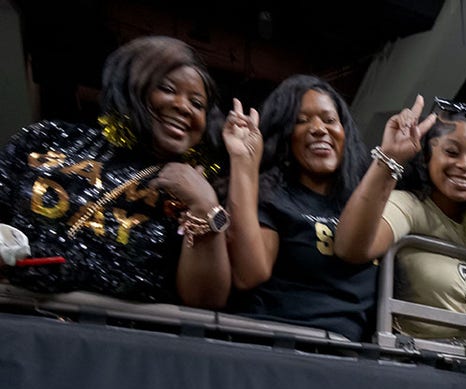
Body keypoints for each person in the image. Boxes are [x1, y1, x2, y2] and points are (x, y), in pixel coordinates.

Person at [0, 35, 230, 308]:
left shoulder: (193, 187)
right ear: (132, 87)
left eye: (197, 103)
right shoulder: (47, 139)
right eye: (167, 89)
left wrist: (204, 204)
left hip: (118, 342)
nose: (183, 106)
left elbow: (205, 300)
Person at [334, 95, 466, 344]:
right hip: (413, 360)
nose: (465, 165)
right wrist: (391, 157)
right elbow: (350, 248)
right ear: (427, 156)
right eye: (452, 152)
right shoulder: (408, 205)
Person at [222, 74, 375, 341]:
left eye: (329, 120)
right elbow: (248, 275)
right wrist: (243, 162)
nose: (318, 128)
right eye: (301, 121)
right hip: (277, 347)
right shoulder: (273, 198)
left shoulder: (364, 203)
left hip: (352, 358)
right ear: (285, 136)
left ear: (345, 133)